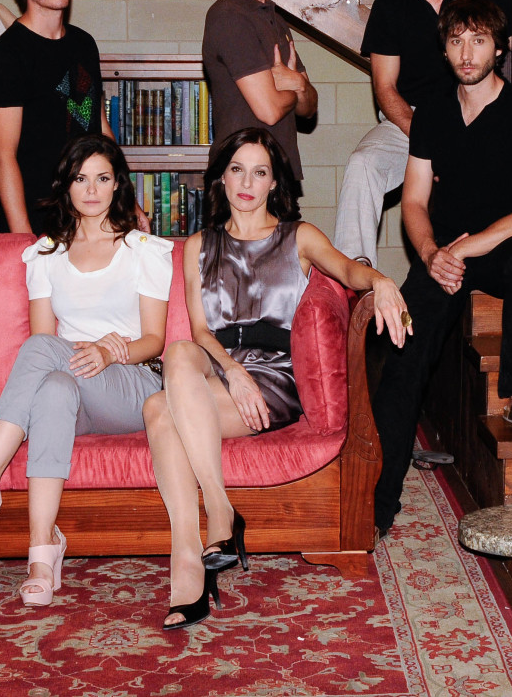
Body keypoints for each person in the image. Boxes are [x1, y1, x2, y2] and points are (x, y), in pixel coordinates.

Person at [144, 127, 409, 628]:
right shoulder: (198, 245)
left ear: (273, 182)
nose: (247, 183)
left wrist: (382, 280)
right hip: (222, 365)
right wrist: (233, 372)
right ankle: (219, 516)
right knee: (178, 351)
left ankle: (190, 564)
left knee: (158, 410)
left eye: (259, 172)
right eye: (237, 170)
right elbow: (200, 331)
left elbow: (347, 272)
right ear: (222, 179)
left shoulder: (298, 237)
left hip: (277, 375)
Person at [0, 134, 171, 606]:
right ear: (66, 185)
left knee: (44, 355)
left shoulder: (143, 250)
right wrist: (84, 353)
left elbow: (155, 340)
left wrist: (111, 352)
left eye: (102, 179)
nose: (91, 190)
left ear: (118, 185)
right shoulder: (46, 255)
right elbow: (43, 343)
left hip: (132, 382)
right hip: (72, 384)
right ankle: (42, 553)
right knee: (52, 387)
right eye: (80, 179)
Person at [372, 0, 512, 537]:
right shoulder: (431, 112)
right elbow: (414, 201)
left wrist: (465, 249)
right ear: (445, 49)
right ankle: (379, 498)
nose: (466, 52)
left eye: (478, 40)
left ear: (499, 48)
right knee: (401, 350)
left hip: (496, 248)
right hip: (442, 256)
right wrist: (431, 254)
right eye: (455, 41)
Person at [334, 0, 512, 266]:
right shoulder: (390, 5)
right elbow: (385, 88)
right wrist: (429, 139)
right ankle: (356, 280)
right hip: (411, 121)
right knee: (363, 164)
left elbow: (499, 60)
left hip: (478, 114)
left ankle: (492, 269)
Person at [0, 0, 114, 235]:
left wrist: (125, 201)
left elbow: (100, 129)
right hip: (38, 220)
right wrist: (23, 238)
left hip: (92, 217)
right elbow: (2, 157)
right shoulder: (7, 54)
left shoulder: (84, 44)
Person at [201, 0, 317, 189]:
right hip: (242, 179)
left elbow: (310, 108)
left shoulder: (273, 18)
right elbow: (269, 110)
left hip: (279, 175)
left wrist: (298, 84)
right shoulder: (229, 16)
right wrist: (297, 89)